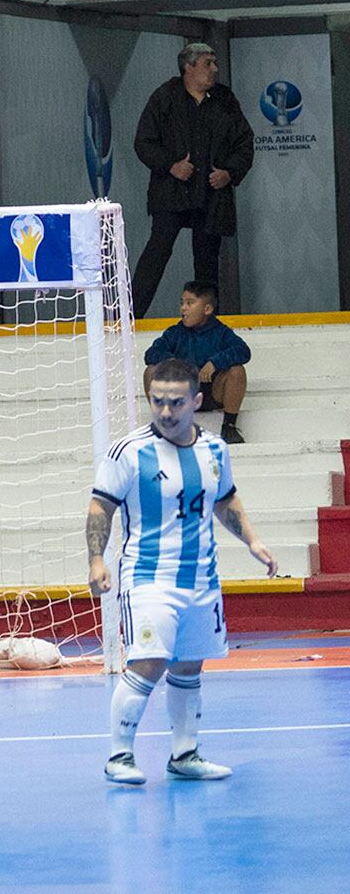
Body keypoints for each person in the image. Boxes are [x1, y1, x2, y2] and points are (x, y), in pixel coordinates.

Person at [87, 358, 278, 785]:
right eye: (157, 402)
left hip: (202, 579)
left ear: (195, 401)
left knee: (189, 667)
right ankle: (119, 757)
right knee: (148, 662)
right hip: (148, 578)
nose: (166, 412)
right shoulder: (128, 452)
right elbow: (101, 506)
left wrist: (252, 540)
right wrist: (96, 559)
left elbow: (226, 500)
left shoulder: (215, 449)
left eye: (175, 402)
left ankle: (185, 754)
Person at [131, 43, 255, 318]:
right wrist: (171, 166)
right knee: (158, 251)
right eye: (208, 63)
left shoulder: (224, 100)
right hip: (172, 191)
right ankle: (131, 316)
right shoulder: (165, 98)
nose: (215, 69)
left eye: (214, 63)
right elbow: (144, 142)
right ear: (189, 66)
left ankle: (207, 319)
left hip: (211, 192)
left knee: (207, 261)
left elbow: (245, 143)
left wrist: (229, 173)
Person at [144, 281, 250, 445]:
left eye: (190, 303)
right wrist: (174, 363)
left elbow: (243, 351)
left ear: (207, 309)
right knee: (151, 371)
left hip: (212, 391)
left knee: (237, 371)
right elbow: (151, 354)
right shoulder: (174, 333)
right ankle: (162, 425)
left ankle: (229, 426)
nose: (183, 309)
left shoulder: (221, 332)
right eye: (182, 303)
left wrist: (215, 363)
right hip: (180, 394)